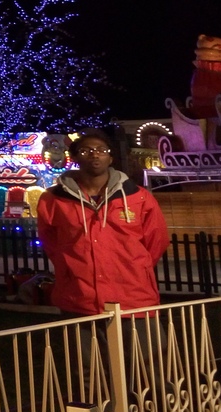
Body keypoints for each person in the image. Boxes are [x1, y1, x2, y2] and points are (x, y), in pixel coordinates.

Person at [36, 129, 168, 316]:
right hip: (79, 299)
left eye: (102, 150)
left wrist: (136, 266)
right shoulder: (53, 199)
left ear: (111, 158)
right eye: (85, 151)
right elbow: (50, 242)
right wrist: (72, 268)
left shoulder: (138, 197)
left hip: (134, 298)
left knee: (144, 346)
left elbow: (157, 241)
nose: (95, 154)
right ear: (74, 157)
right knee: (84, 347)